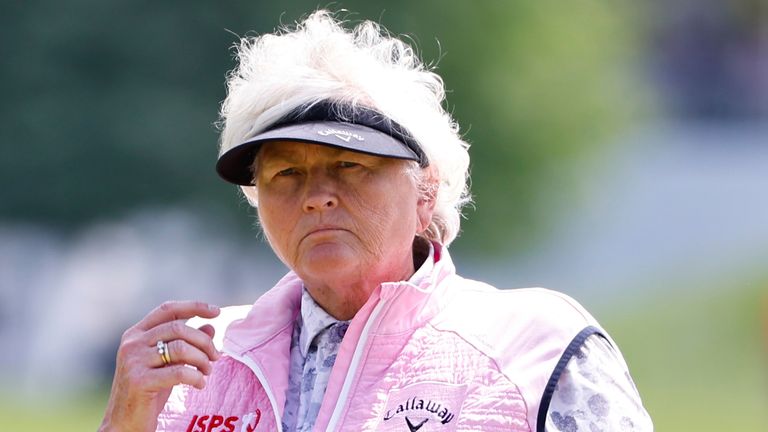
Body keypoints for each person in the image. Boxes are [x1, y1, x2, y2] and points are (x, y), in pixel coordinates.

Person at [99, 10, 652, 432]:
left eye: (350, 165)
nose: (316, 197)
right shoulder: (197, 362)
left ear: (426, 188)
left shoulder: (536, 344)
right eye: (286, 174)